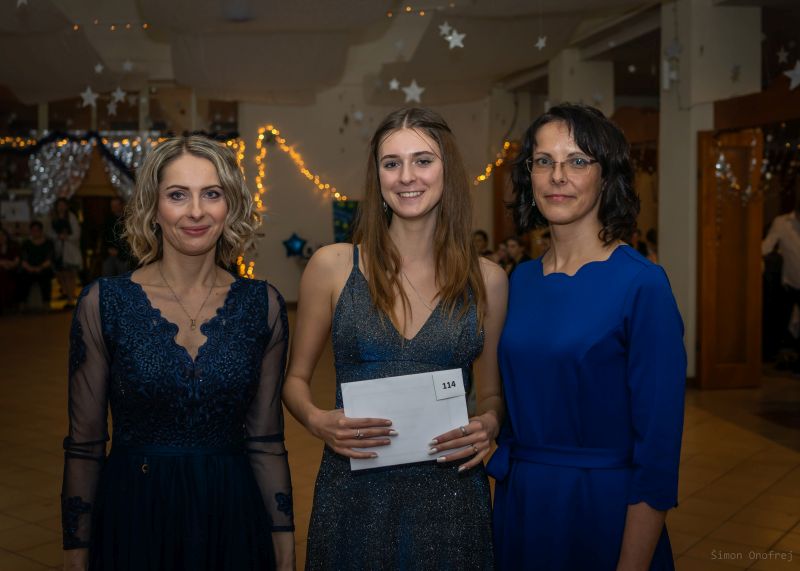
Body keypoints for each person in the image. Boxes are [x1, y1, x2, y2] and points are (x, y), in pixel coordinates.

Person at [282, 107, 507, 570]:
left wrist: (490, 423)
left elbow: (491, 394)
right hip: (353, 492)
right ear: (378, 176)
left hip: (451, 497)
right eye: (391, 163)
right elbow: (294, 381)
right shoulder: (333, 267)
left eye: (422, 160)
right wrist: (318, 420)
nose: (406, 176)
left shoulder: (488, 280)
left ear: (447, 169)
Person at [61, 135, 294, 571]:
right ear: (152, 208)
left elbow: (266, 441)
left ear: (231, 206)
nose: (196, 211)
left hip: (232, 516)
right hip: (134, 514)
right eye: (177, 195)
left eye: (212, 194)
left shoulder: (261, 305)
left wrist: (284, 549)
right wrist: (76, 554)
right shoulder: (105, 303)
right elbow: (85, 444)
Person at [487, 103, 686, 570]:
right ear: (530, 176)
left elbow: (657, 454)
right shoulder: (521, 280)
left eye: (577, 160)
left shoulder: (642, 284)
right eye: (544, 161)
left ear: (606, 176)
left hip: (602, 508)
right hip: (523, 502)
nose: (558, 175)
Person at [50, 198, 82, 307]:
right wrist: (57, 237)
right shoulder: (53, 217)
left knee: (70, 274)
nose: (61, 207)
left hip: (69, 250)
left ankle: (70, 298)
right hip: (57, 250)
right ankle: (67, 294)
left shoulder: (71, 217)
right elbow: (49, 232)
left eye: (63, 205)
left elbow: (76, 233)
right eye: (59, 205)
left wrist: (66, 237)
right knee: (61, 275)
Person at [19, 220, 55, 310]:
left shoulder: (48, 243)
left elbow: (49, 259)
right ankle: (22, 303)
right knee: (23, 277)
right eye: (33, 230)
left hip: (43, 268)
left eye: (37, 230)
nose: (35, 232)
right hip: (29, 269)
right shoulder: (26, 243)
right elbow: (23, 260)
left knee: (46, 277)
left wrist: (40, 267)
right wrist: (30, 268)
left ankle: (46, 303)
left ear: (41, 231)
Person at [0, 227, 20, 313]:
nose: (1, 237)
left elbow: (16, 261)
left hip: (12, 270)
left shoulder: (13, 246)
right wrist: (3, 263)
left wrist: (8, 264)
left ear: (6, 236)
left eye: (2, 235)